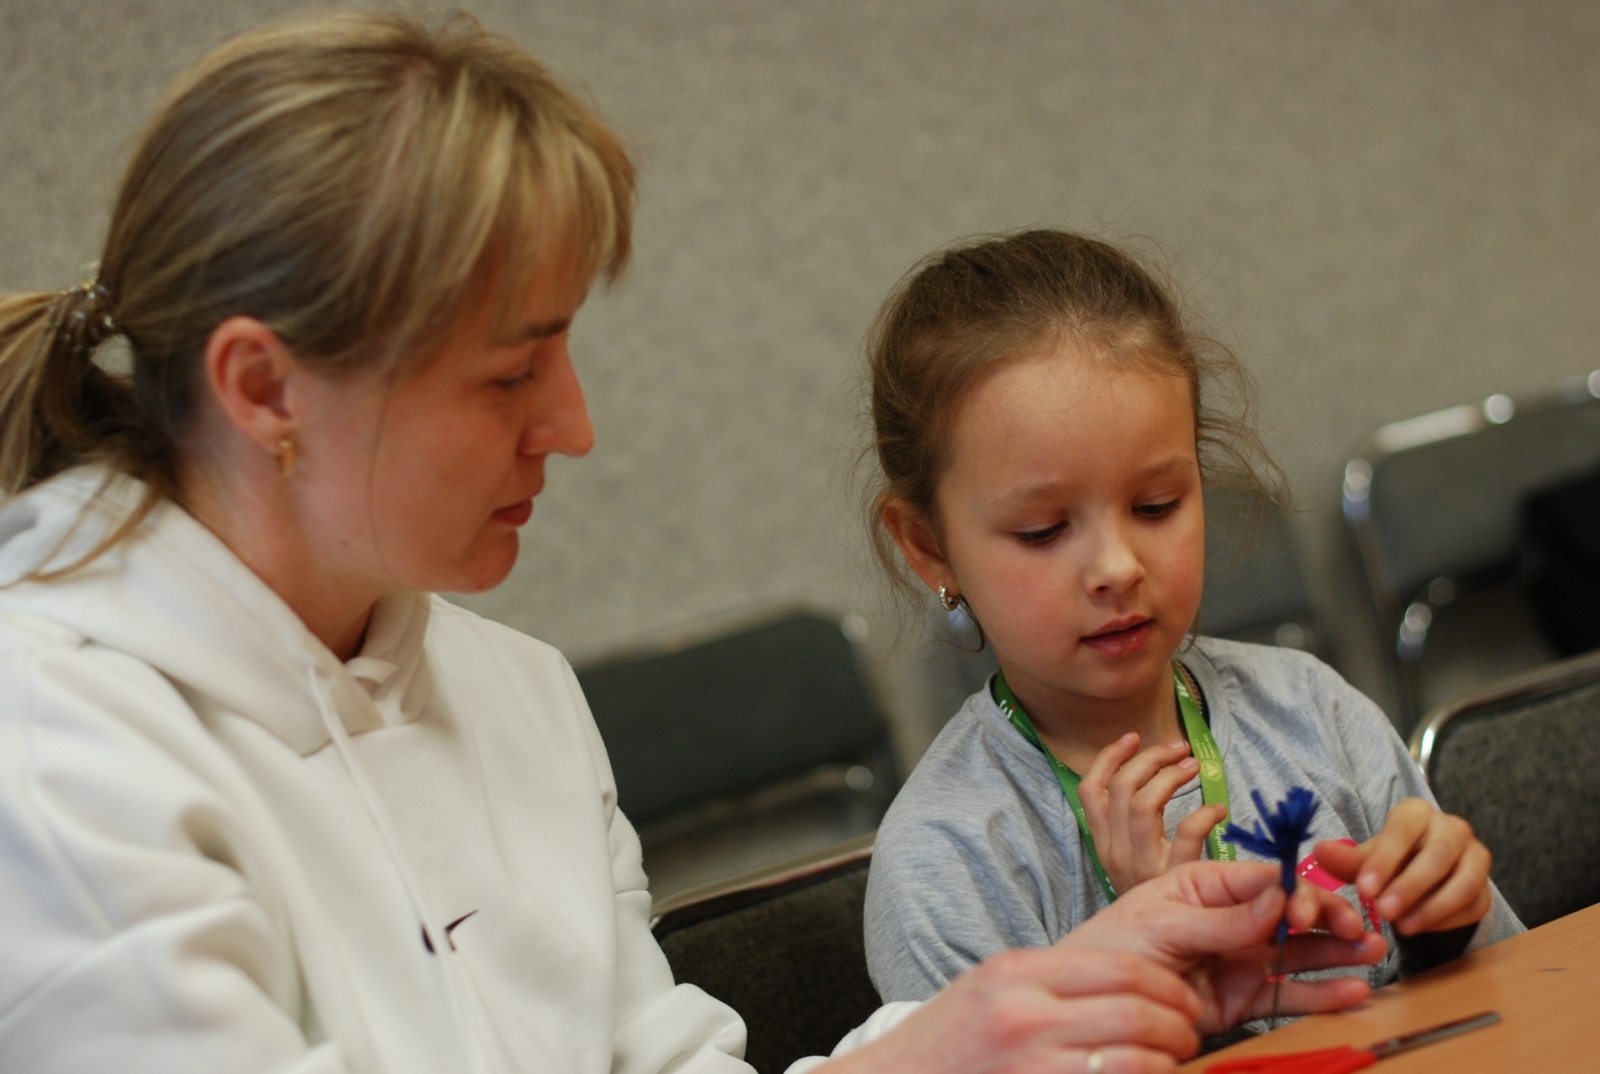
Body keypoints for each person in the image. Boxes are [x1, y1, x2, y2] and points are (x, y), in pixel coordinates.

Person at [0, 13, 1382, 1074]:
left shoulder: (516, 694)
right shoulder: (55, 748)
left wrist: (1000, 1030)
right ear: (265, 390)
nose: (573, 425)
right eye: (510, 372)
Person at [859, 230, 1526, 1008]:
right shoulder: (948, 858)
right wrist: (1151, 965)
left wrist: (1444, 927)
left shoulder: (1311, 711)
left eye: (1156, 505)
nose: (1118, 568)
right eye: (1042, 530)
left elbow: (1518, 1004)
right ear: (928, 546)